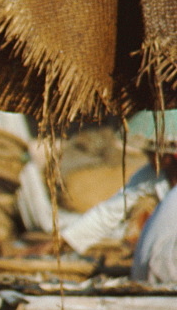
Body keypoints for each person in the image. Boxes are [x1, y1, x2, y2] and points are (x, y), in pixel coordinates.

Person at [58, 111, 177, 259]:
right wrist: (64, 241)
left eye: (155, 153)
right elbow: (109, 212)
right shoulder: (149, 175)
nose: (150, 158)